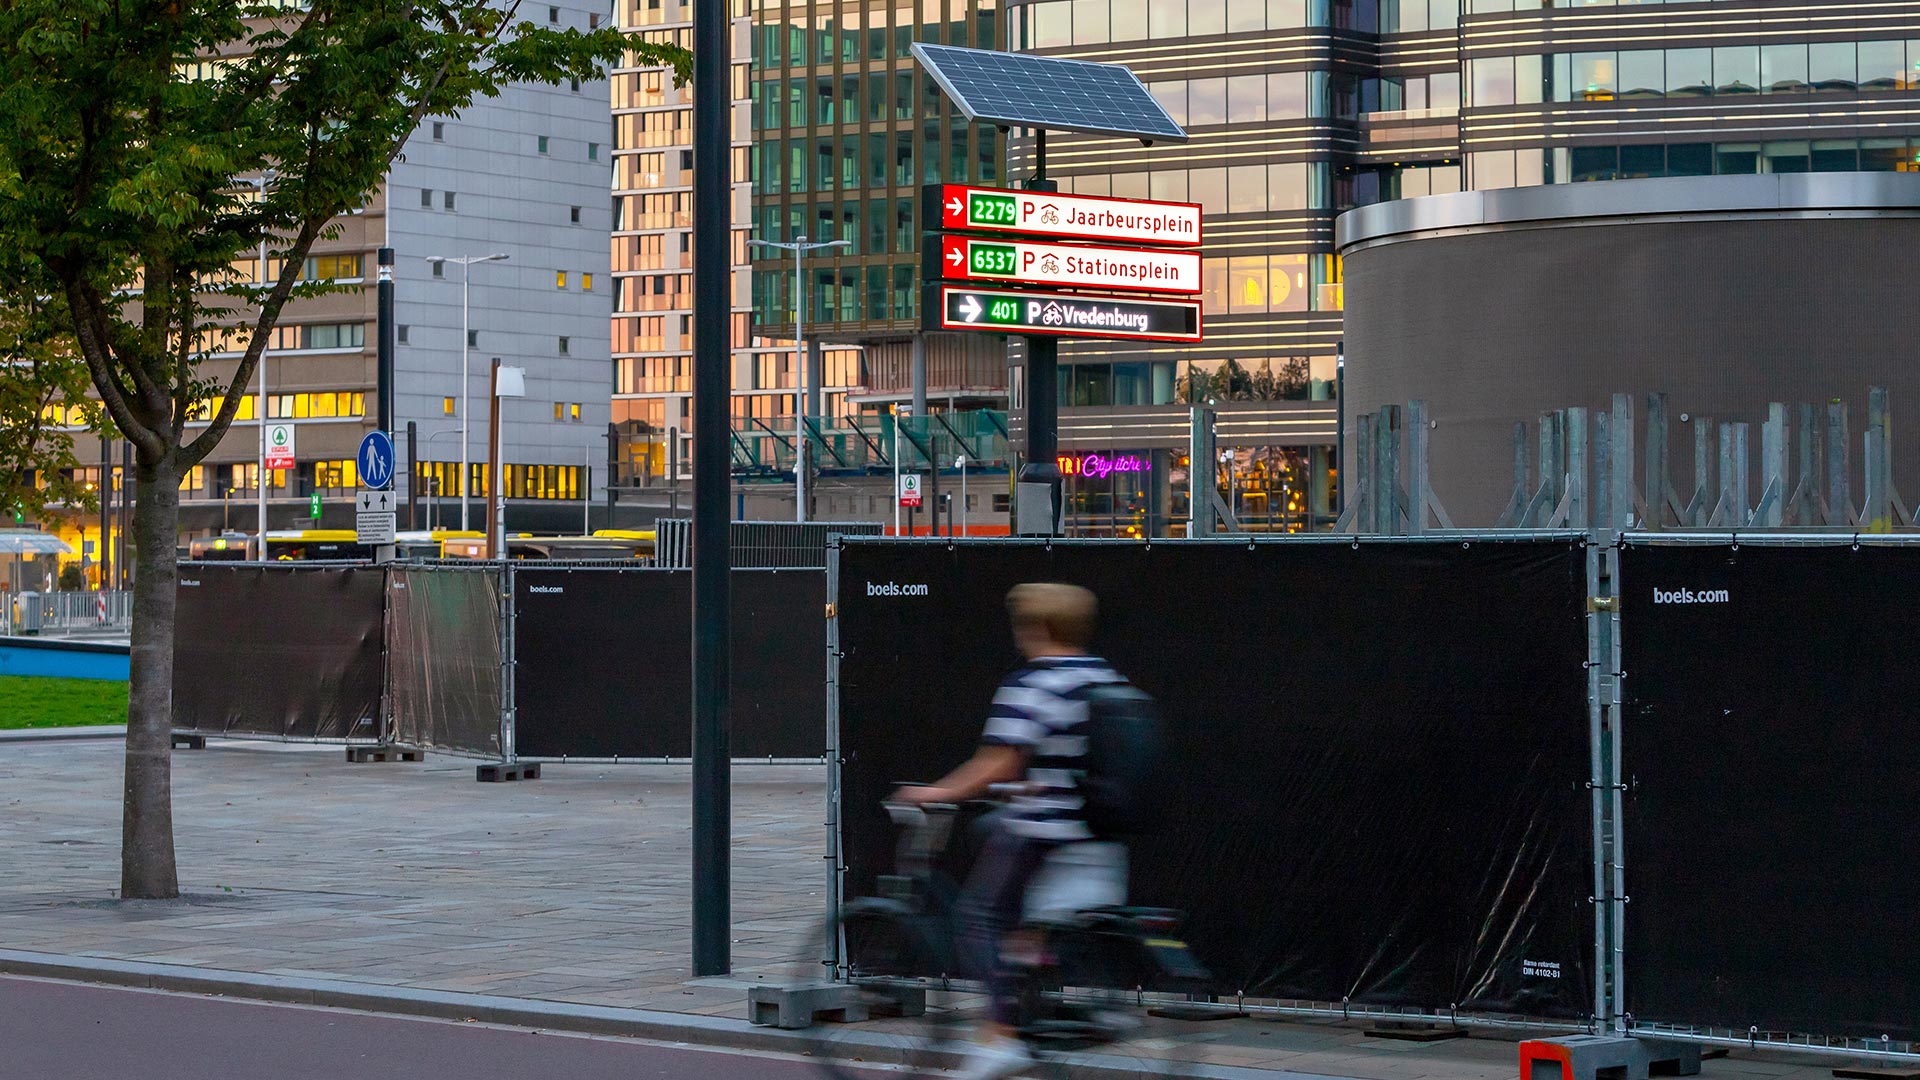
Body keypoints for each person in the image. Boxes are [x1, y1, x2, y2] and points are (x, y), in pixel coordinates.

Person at [894, 582, 1132, 1080]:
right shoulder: (1103, 677)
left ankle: (1000, 1035)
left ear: (1038, 628)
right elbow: (1070, 756)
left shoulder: (1035, 682)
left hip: (1043, 830)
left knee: (976, 919)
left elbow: (998, 761)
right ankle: (1037, 986)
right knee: (1020, 917)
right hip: (1094, 833)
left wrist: (934, 793)